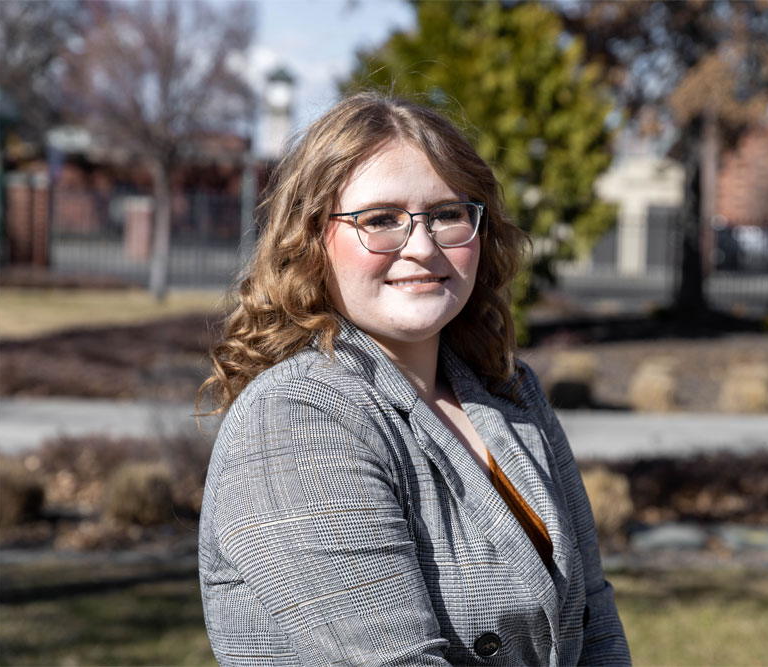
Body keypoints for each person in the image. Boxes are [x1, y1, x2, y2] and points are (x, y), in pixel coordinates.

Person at [197, 92, 631, 666]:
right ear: (310, 242)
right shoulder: (294, 419)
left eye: (447, 214)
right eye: (380, 220)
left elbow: (594, 621)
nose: (422, 248)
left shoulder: (508, 391)